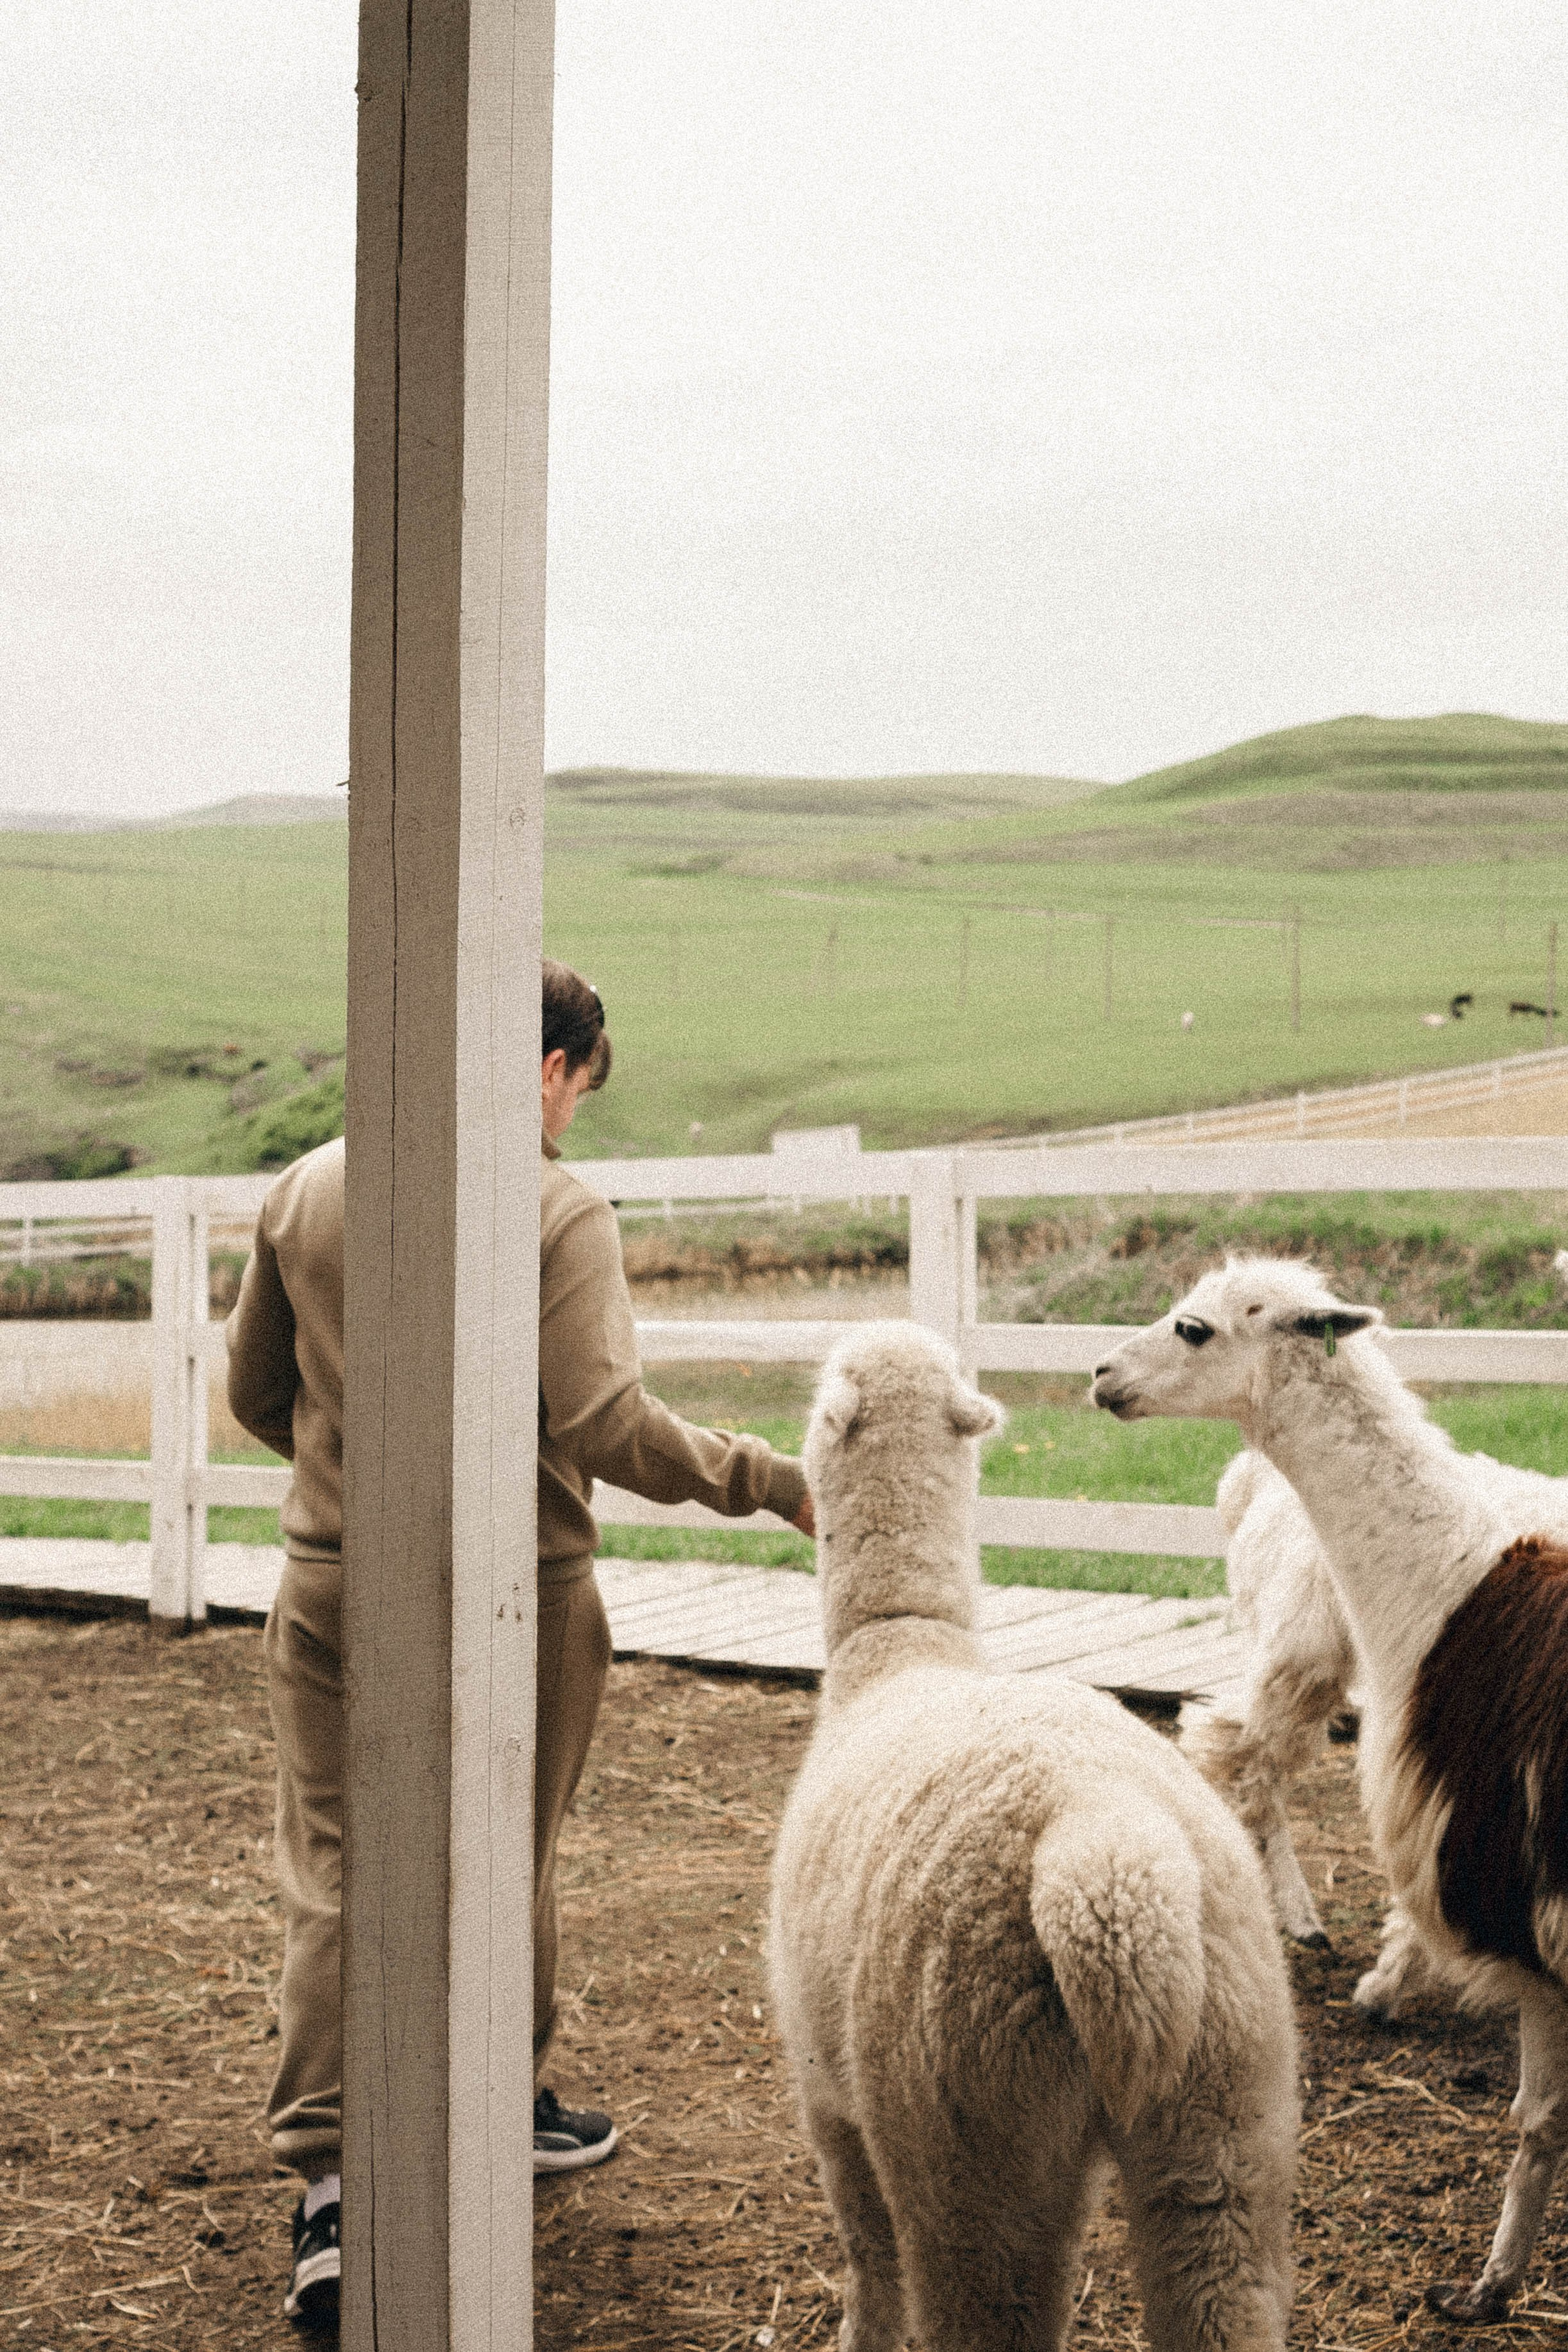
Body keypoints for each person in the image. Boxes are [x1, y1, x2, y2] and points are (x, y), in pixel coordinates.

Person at [226, 958, 813, 2330]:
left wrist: (355, 1472)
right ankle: (506, 2104)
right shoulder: (555, 1207)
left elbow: (257, 1390)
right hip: (521, 1590)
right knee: (507, 1851)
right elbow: (606, 1422)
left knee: (334, 1866)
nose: (569, 1122)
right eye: (577, 1094)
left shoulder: (308, 1184)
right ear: (552, 1066)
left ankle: (328, 2189)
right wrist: (766, 1478)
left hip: (328, 1582)